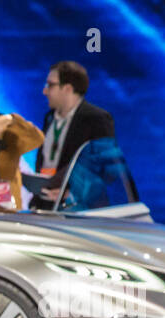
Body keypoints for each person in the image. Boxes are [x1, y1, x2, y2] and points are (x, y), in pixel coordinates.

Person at [32, 60, 115, 208]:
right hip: (45, 205)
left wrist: (72, 194)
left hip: (79, 208)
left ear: (68, 89)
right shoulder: (49, 117)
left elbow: (107, 170)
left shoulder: (97, 119)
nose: (44, 91)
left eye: (50, 85)